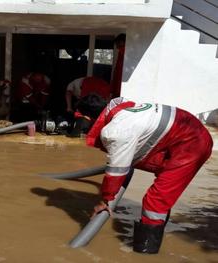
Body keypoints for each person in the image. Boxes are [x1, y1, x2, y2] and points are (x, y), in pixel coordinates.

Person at [78, 95, 213, 254]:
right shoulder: (120, 107)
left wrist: (105, 200)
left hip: (192, 144)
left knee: (155, 201)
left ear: (88, 117)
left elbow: (117, 171)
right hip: (185, 132)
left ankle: (146, 252)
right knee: (160, 189)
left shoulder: (116, 130)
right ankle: (153, 235)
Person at [110, 34, 126, 98]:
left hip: (120, 85)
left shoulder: (124, 51)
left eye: (117, 44)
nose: (116, 47)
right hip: (118, 84)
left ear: (122, 42)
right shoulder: (121, 52)